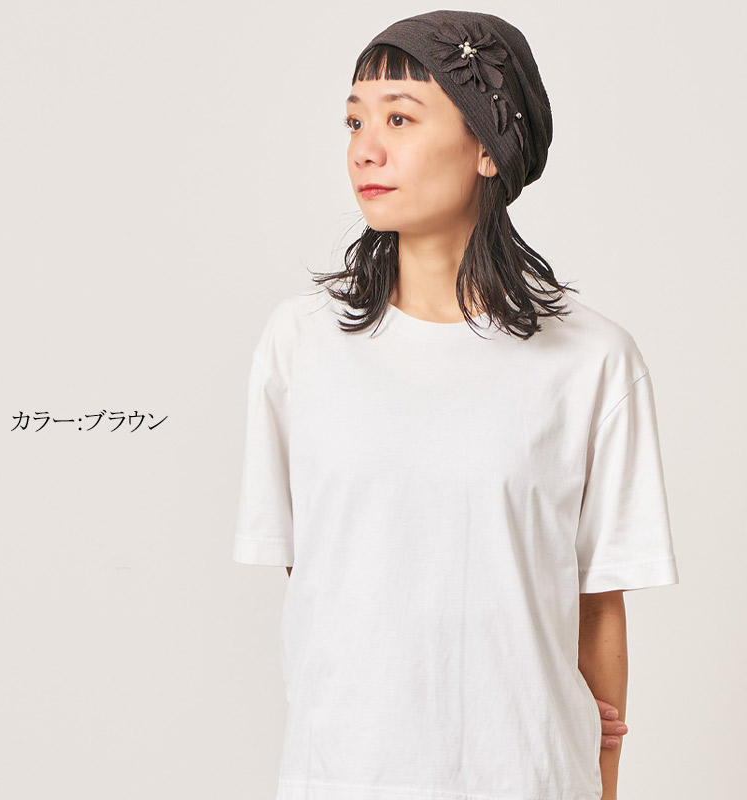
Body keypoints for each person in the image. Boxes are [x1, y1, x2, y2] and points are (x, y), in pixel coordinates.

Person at [233, 10, 679, 800]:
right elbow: (323, 577)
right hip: (343, 776)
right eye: (354, 121)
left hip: (530, 775)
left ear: (487, 147)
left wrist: (604, 782)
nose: (365, 149)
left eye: (400, 118)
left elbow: (599, 600)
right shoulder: (300, 343)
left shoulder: (593, 361)